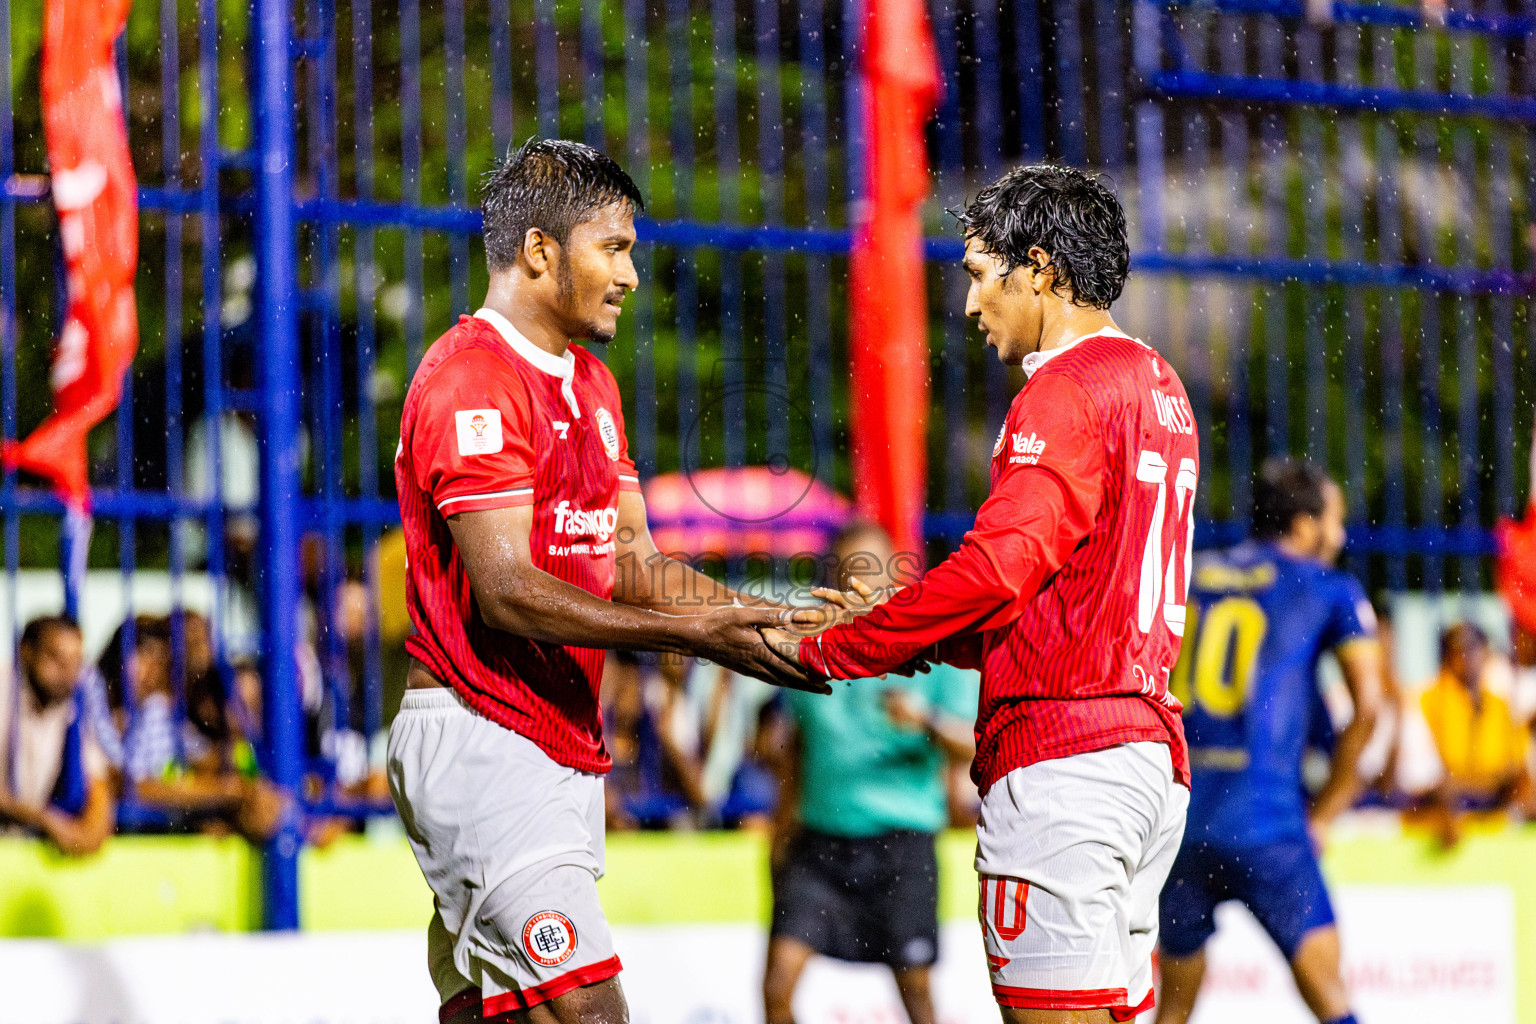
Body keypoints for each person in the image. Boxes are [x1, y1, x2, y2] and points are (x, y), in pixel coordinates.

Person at [388, 138, 821, 1024]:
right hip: (483, 735)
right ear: (542, 252)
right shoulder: (472, 377)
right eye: (613, 247)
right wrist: (696, 636)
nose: (629, 273)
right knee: (592, 1010)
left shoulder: (592, 384)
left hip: (555, 742)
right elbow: (506, 588)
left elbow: (633, 564)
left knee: (497, 1011)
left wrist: (772, 617)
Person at [766, 164, 1198, 1023]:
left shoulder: (1063, 390)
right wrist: (902, 628)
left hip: (1064, 765)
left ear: (1038, 268)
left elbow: (999, 569)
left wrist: (838, 646)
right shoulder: (1160, 384)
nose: (967, 307)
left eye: (975, 273)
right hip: (1143, 757)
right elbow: (1052, 604)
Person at [1153, 458, 1383, 1024]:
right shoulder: (1325, 586)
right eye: (1335, 521)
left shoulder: (1189, 573)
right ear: (1304, 526)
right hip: (1267, 822)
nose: (1342, 536)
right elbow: (1370, 707)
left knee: (1174, 1010)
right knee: (1332, 1001)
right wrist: (1327, 812)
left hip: (1180, 822)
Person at [763, 522, 978, 1024]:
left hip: (901, 843)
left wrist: (924, 720)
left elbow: (973, 744)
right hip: (818, 843)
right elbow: (794, 751)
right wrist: (779, 834)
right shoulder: (813, 645)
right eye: (848, 573)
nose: (858, 587)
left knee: (917, 995)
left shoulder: (933, 647)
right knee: (777, 986)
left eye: (871, 573)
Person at [0, 615, 115, 856]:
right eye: (55, 657)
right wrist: (47, 820)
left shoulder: (71, 702)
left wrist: (88, 832)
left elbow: (97, 780)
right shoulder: (5, 687)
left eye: (75, 661)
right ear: (26, 652)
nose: (67, 671)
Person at [1416, 621, 1536, 847]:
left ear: (1486, 653)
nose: (1466, 657)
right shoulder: (1428, 701)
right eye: (1458, 650)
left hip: (1492, 808)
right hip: (1447, 810)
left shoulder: (1500, 705)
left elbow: (1517, 768)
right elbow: (1431, 779)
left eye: (1473, 648)